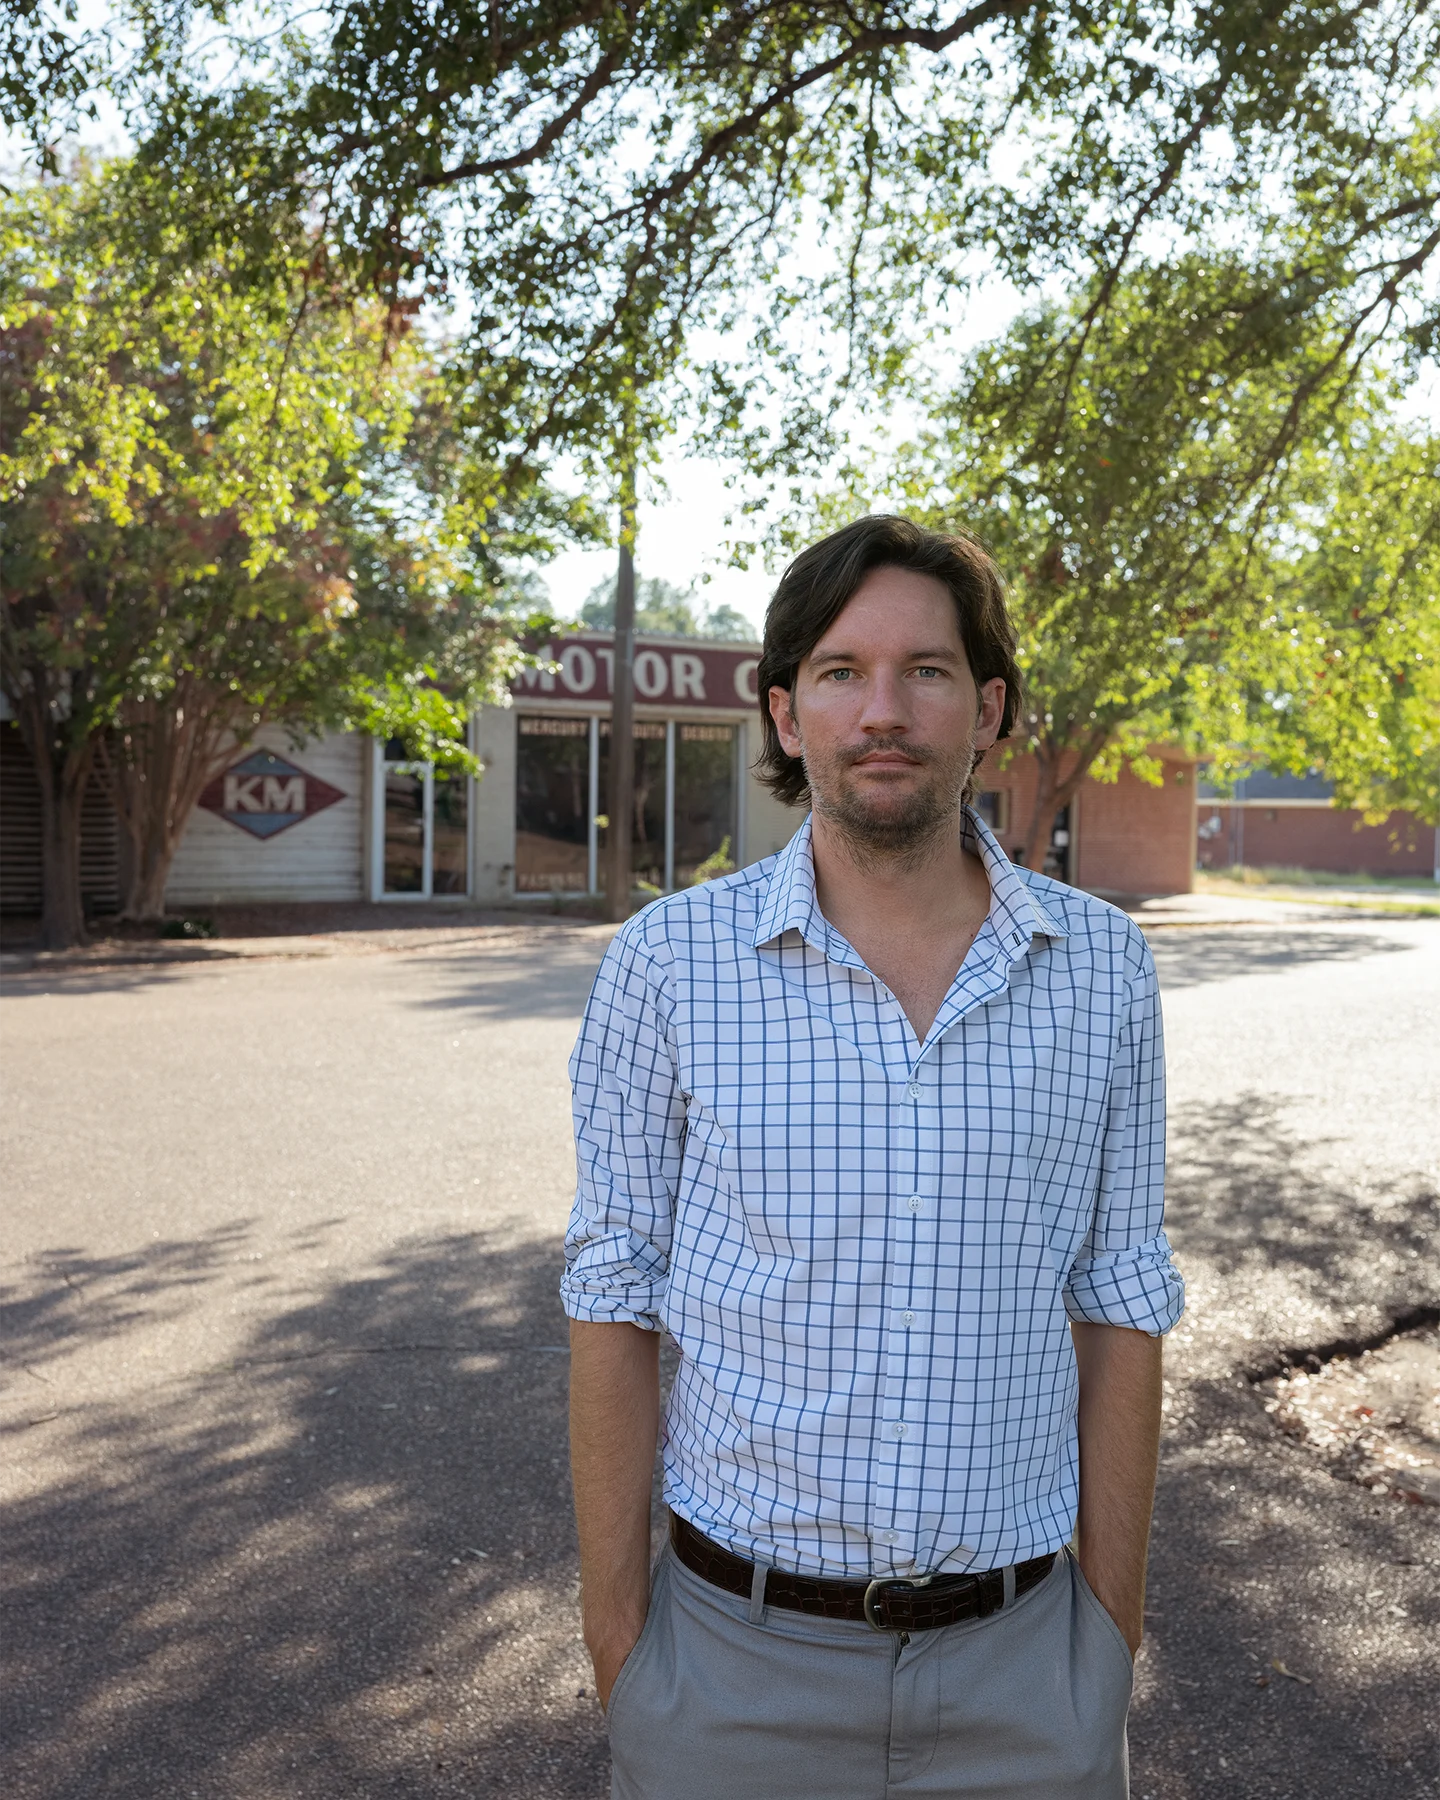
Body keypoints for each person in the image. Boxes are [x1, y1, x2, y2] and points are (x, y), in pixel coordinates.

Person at [563, 514, 1184, 1799]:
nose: (882, 709)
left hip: (1028, 1685)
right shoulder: (668, 965)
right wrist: (622, 1648)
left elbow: (1122, 1298)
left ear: (988, 707)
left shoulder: (1105, 969)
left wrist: (1106, 1640)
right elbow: (611, 1295)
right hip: (728, 1682)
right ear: (787, 714)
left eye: (928, 671)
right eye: (842, 672)